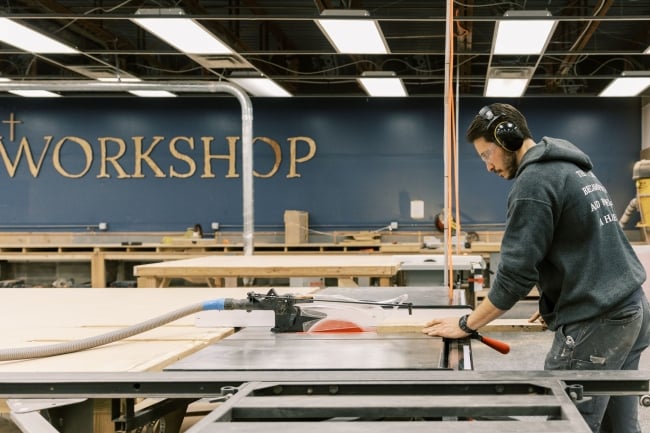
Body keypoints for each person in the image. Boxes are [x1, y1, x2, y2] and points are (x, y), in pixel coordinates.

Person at [422, 103, 650, 433]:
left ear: (508, 139)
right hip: (631, 310)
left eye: (487, 155)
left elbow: (515, 275)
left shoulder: (535, 183)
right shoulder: (572, 168)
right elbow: (588, 244)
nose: (487, 166)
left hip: (597, 321)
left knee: (565, 422)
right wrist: (557, 300)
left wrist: (466, 323)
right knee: (620, 426)